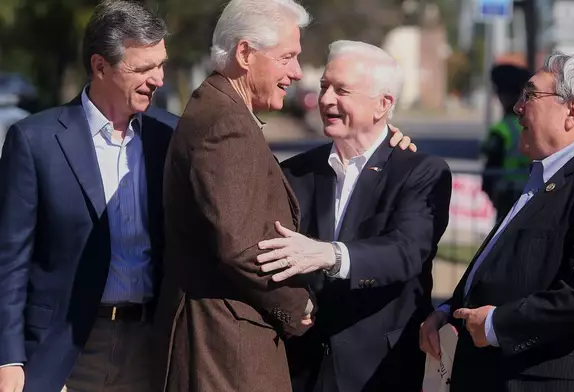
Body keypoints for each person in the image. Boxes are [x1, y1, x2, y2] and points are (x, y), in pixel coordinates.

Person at [151, 2, 414, 392]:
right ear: (245, 53)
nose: (295, 73)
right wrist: (296, 307)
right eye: (287, 58)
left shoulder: (219, 111)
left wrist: (385, 148)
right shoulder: (227, 124)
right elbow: (239, 245)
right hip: (224, 347)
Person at [419, 52, 574, 392]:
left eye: (531, 95)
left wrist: (496, 325)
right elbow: (505, 259)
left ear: (572, 112)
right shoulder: (552, 174)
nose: (518, 107)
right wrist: (449, 310)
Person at [255, 40, 452, 392]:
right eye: (324, 87)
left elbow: (407, 251)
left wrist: (329, 255)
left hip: (379, 370)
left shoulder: (420, 172)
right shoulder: (295, 172)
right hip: (300, 366)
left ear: (383, 104)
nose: (327, 100)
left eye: (342, 90)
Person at [0, 1, 175, 392]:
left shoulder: (171, 137)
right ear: (100, 66)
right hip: (65, 351)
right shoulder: (35, 142)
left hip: (153, 346)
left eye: (161, 64)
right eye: (144, 68)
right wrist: (8, 358)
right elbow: (9, 261)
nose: (159, 79)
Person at [481, 64, 532, 221]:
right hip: (532, 195)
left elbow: (490, 171)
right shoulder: (533, 124)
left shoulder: (502, 129)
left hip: (508, 198)